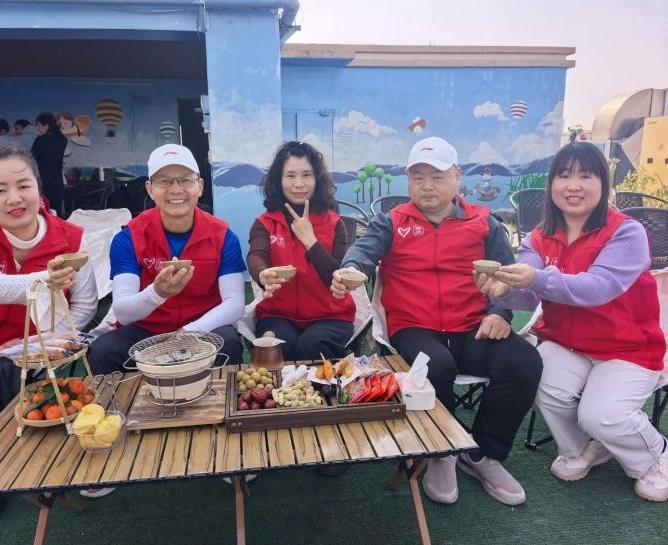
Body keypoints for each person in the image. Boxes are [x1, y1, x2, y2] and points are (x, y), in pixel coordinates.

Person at [331, 136, 543, 506]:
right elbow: (362, 252)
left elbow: (504, 278)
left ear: (457, 176)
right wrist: (350, 269)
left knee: (524, 362)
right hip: (414, 327)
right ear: (409, 181)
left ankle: (482, 454)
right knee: (435, 367)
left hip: (473, 326)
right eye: (418, 177)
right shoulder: (391, 221)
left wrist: (499, 313)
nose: (427, 185)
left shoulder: (484, 222)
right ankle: (441, 451)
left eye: (437, 176)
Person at [477, 141, 668, 502]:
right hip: (567, 342)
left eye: (586, 176)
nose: (573, 185)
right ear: (552, 184)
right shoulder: (539, 237)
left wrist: (535, 279)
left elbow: (598, 288)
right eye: (564, 176)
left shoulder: (626, 232)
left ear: (603, 185)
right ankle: (585, 449)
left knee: (603, 415)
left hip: (627, 347)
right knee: (538, 382)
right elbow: (529, 292)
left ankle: (655, 455)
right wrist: (502, 291)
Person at [0, 143, 97, 522]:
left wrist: (41, 342)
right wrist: (48, 278)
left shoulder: (72, 239)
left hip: (25, 351)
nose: (14, 198)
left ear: (39, 188)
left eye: (23, 185)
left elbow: (85, 305)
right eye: (0, 189)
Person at [90, 143, 246, 375]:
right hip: (146, 330)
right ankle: (125, 401)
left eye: (185, 180)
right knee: (104, 350)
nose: (176, 189)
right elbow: (123, 311)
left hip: (201, 327)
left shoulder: (223, 236)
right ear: (150, 189)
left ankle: (221, 399)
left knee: (228, 341)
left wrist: (189, 332)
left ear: (200, 187)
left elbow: (234, 303)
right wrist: (157, 293)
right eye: (164, 181)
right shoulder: (129, 237)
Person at [247, 141, 355, 360]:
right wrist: (262, 274)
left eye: (306, 175)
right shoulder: (265, 223)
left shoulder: (335, 224)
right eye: (290, 176)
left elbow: (337, 276)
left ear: (317, 179)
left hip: (331, 316)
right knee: (280, 345)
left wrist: (310, 241)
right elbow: (256, 255)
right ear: (278, 180)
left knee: (311, 346)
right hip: (277, 314)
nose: (298, 184)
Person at [31, 112, 67, 215]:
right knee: (56, 213)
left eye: (39, 125)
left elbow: (31, 158)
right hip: (57, 182)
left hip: (44, 182)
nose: (37, 128)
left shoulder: (40, 140)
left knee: (44, 213)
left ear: (47, 125)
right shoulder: (63, 139)